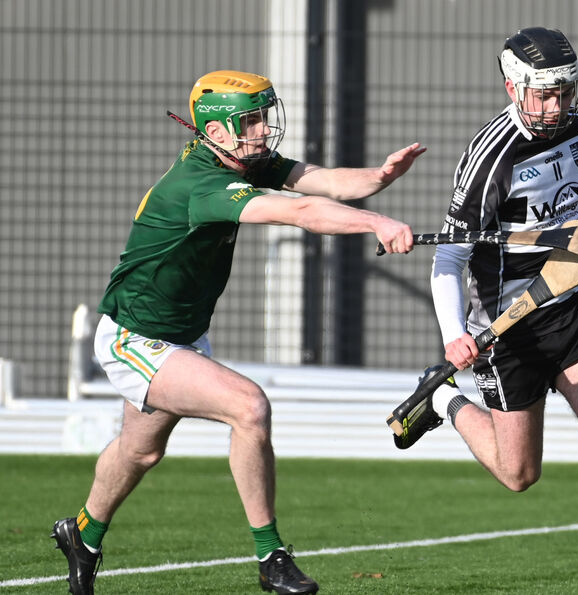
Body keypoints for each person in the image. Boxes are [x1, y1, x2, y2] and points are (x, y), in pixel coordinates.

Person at [51, 70, 425, 595]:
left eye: (263, 117)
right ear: (216, 132)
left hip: (180, 335)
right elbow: (301, 211)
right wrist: (376, 223)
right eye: (250, 120)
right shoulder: (201, 186)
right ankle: (271, 557)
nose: (263, 128)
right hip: (134, 339)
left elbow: (326, 182)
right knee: (249, 407)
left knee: (141, 452)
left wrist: (379, 176)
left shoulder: (240, 159)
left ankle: (82, 535)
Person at [408, 28, 578, 595]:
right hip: (507, 328)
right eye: (544, 94)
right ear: (513, 88)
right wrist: (453, 334)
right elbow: (450, 256)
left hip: (573, 304)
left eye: (564, 92)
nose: (556, 106)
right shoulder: (490, 159)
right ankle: (442, 400)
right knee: (519, 474)